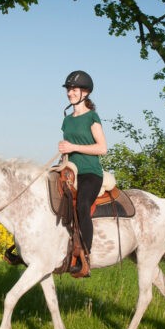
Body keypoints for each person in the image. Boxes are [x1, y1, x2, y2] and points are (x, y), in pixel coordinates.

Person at [58, 70, 107, 273]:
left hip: (90, 172)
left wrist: (73, 147)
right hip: (71, 169)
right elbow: (69, 148)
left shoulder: (92, 117)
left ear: (85, 93)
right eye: (69, 89)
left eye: (74, 89)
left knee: (83, 204)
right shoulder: (67, 120)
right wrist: (63, 154)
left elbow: (102, 148)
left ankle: (84, 258)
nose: (70, 93)